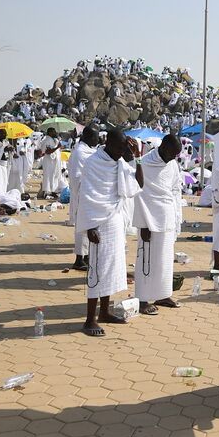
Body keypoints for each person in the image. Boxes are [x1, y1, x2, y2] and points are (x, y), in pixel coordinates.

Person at [76, 128, 142, 336]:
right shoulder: (93, 163)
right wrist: (89, 227)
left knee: (111, 270)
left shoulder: (120, 163)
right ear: (109, 144)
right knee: (97, 270)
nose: (123, 150)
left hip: (114, 221)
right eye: (120, 146)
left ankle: (104, 312)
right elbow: (86, 196)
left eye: (125, 146)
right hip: (97, 223)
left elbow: (139, 184)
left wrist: (137, 157)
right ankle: (89, 320)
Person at [132, 134, 185, 313]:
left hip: (167, 218)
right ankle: (142, 300)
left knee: (164, 260)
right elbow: (138, 194)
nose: (174, 157)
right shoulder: (145, 163)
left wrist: (177, 217)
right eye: (172, 153)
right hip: (148, 220)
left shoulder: (173, 164)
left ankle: (162, 294)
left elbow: (176, 190)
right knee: (146, 260)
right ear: (163, 147)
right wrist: (143, 223)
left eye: (177, 155)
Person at [67, 125, 99, 271]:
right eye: (95, 137)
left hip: (89, 193)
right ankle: (79, 259)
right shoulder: (81, 152)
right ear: (87, 137)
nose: (97, 139)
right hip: (83, 193)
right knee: (82, 227)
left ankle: (86, 256)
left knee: (89, 226)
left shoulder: (87, 151)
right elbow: (78, 176)